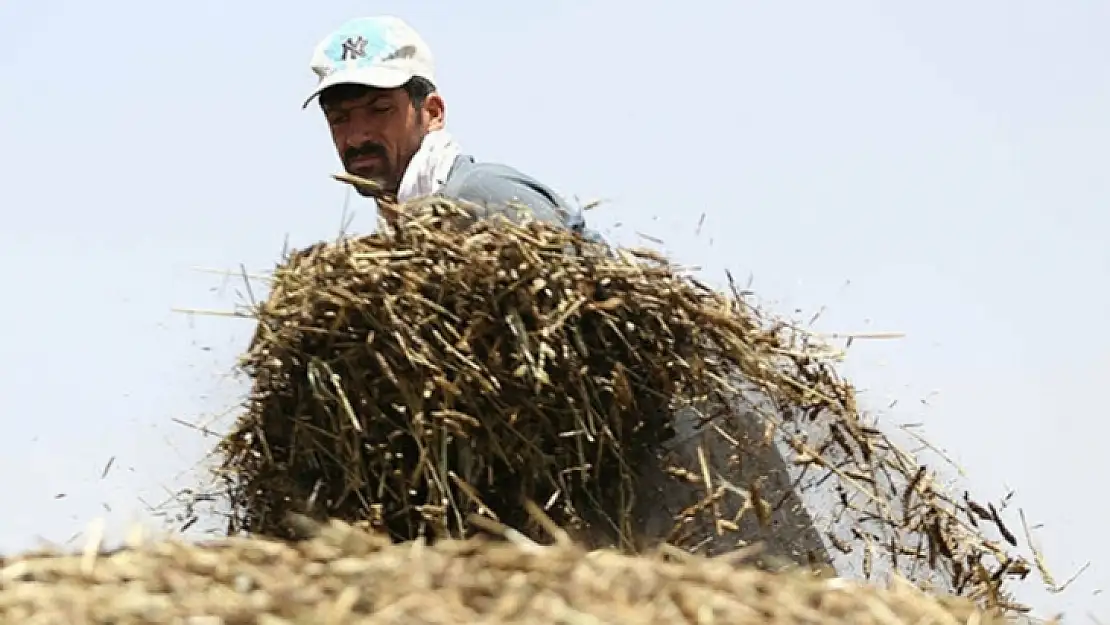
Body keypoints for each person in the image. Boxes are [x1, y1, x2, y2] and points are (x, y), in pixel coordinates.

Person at [303, 16, 595, 238]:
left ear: (432, 113)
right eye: (339, 119)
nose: (356, 137)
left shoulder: (480, 199)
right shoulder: (401, 236)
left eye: (380, 110)